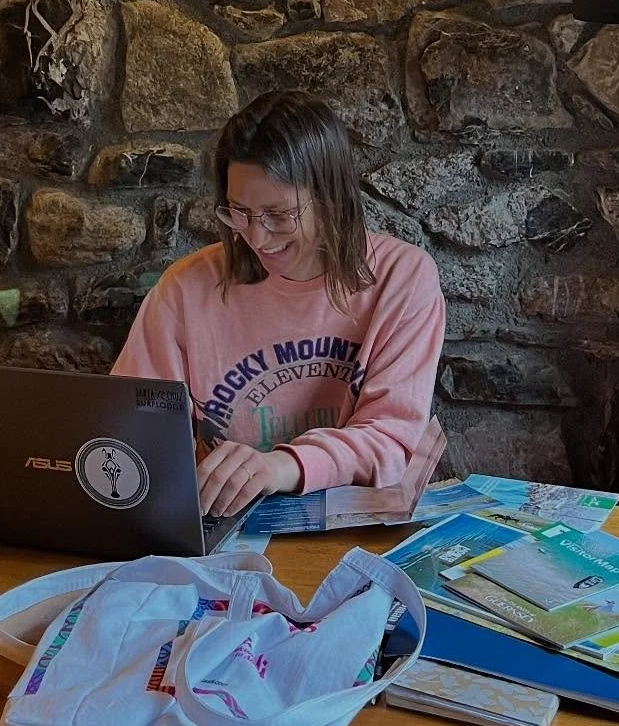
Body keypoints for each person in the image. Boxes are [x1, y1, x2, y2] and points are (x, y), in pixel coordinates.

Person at [113, 91, 446, 518]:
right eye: (239, 211)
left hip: (355, 525)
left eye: (278, 214)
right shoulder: (184, 288)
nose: (257, 238)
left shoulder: (403, 279)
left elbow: (391, 440)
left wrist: (277, 467)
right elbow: (130, 427)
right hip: (224, 527)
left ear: (330, 199)